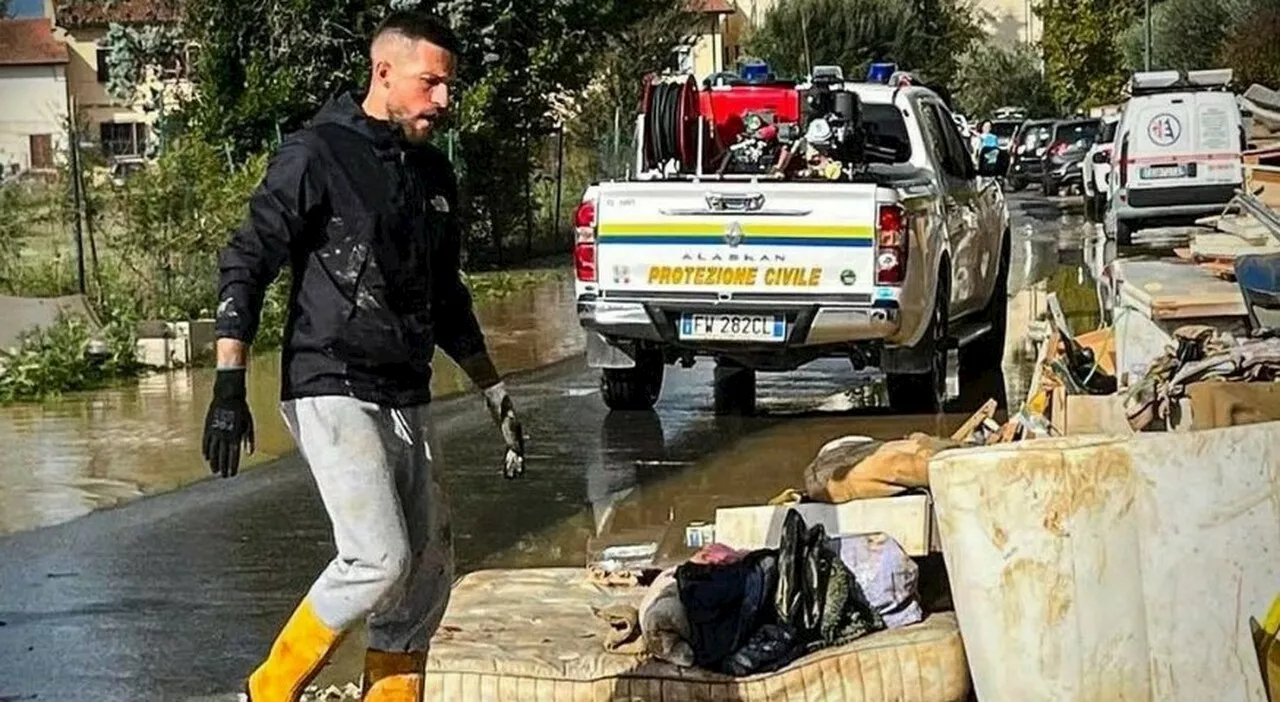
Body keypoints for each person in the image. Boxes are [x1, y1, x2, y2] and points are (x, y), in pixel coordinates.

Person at [201, 10, 526, 702]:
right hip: (330, 380)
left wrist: (495, 392)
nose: (443, 100)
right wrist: (229, 384)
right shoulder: (317, 154)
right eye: (430, 83)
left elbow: (448, 297)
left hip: (407, 390)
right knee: (380, 560)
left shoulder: (433, 174)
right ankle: (264, 691)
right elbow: (247, 259)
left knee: (427, 572)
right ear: (384, 72)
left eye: (449, 86)